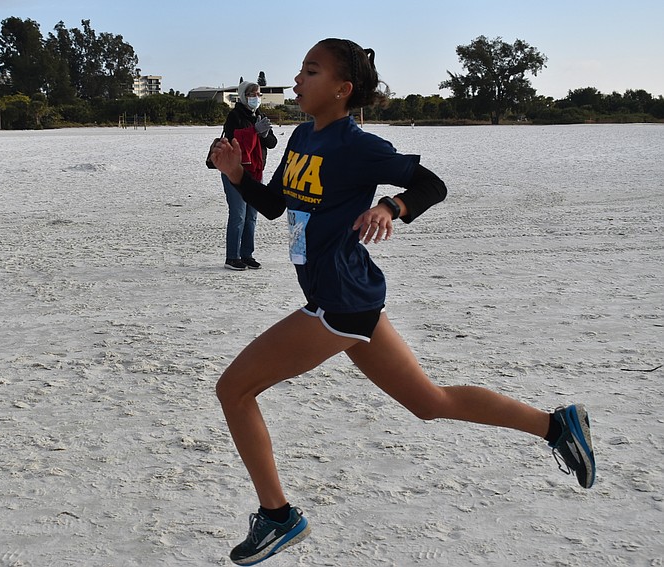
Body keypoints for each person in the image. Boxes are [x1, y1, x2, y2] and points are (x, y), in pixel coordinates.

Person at [209, 38, 596, 565]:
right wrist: (238, 175)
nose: (297, 80)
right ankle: (557, 426)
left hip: (339, 302)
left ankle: (277, 516)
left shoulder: (357, 145)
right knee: (429, 402)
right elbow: (276, 205)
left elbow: (431, 184)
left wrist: (390, 206)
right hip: (347, 297)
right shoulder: (300, 137)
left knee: (234, 390)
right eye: (300, 69)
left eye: (311, 71)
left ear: (342, 89)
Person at [220, 81, 278, 271]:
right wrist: (254, 131)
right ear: (243, 96)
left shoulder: (260, 115)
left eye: (258, 94)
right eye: (252, 94)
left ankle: (247, 254)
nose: (256, 98)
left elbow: (272, 143)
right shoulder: (235, 115)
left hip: (255, 172)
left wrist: (264, 134)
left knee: (251, 215)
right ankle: (232, 257)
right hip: (235, 170)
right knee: (238, 214)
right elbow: (233, 138)